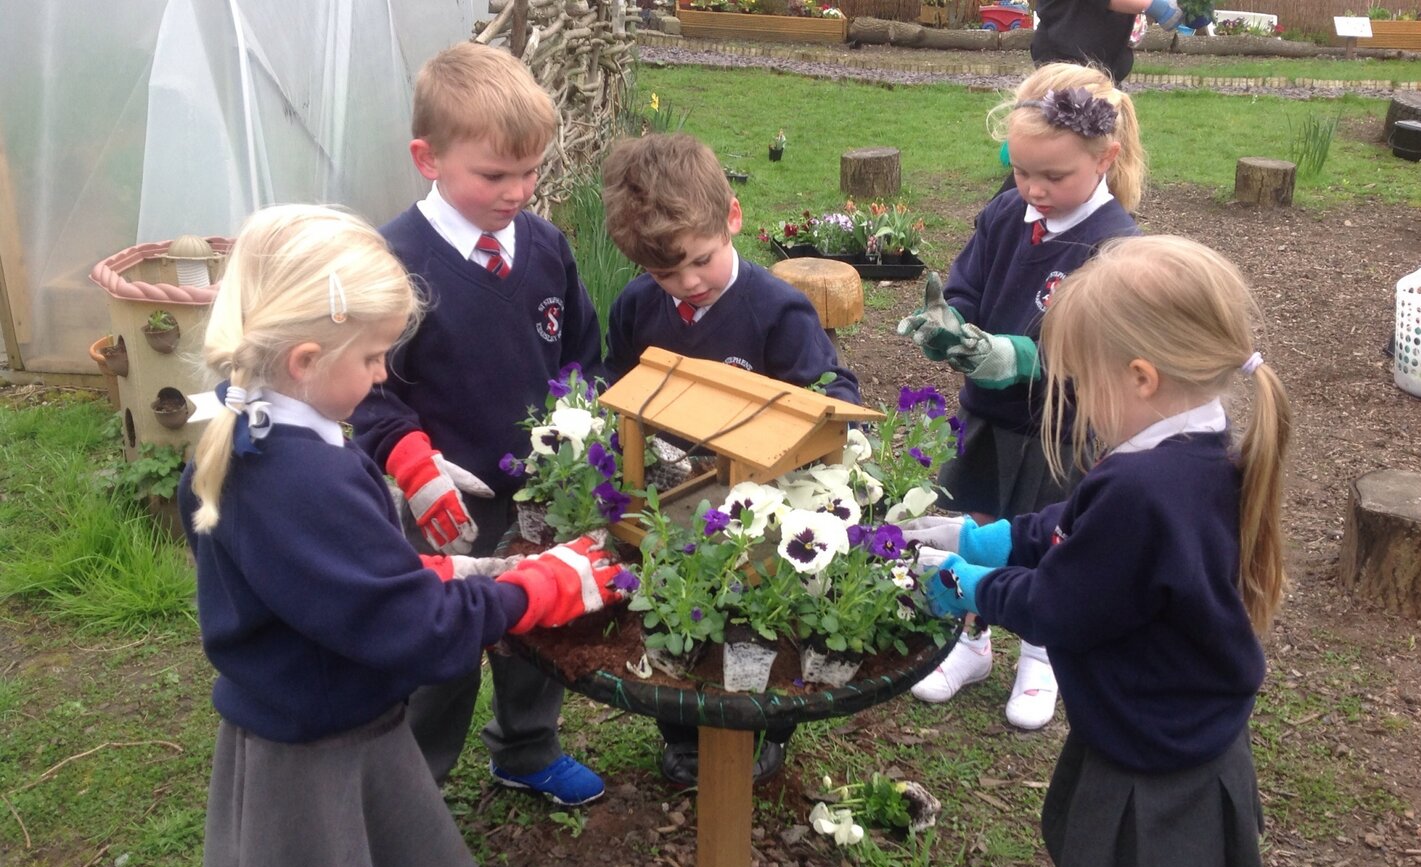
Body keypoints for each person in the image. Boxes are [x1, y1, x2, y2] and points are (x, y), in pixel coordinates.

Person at [179, 204, 627, 867]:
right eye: (372, 356)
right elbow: (415, 629)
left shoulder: (254, 436)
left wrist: (453, 569)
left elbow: (333, 586)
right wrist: (537, 587)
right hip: (319, 758)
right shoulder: (304, 480)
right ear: (305, 360)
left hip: (308, 714)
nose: (384, 374)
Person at [915, 234, 1288, 867]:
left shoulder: (1142, 489)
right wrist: (993, 539)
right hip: (1183, 720)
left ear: (1141, 378)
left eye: (1082, 382)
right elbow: (1082, 527)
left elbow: (1060, 607)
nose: (1077, 398)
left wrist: (970, 585)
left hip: (1154, 765)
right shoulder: (1197, 448)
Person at [348, 42, 606, 805]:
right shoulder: (394, 261)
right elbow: (368, 389)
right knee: (441, 646)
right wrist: (411, 461)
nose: (517, 191)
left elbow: (582, 355)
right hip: (445, 501)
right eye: (494, 175)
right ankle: (414, 785)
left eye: (530, 172)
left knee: (537, 621)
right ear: (428, 158)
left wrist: (580, 426)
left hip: (540, 490)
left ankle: (526, 748)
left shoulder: (547, 248)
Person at [600, 132, 861, 787]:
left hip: (761, 509)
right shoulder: (637, 306)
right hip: (669, 506)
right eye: (666, 274)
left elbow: (835, 398)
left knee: (756, 627)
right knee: (676, 617)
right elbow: (619, 385)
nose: (686, 284)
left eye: (700, 261)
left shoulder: (778, 310)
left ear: (733, 218)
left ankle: (764, 731)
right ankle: (683, 731)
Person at [897, 62, 1145, 730]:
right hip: (987, 415)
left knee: (1051, 540)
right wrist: (950, 325)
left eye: (1054, 177)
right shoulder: (1010, 213)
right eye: (1020, 170)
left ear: (1106, 158)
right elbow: (967, 284)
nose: (1034, 189)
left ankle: (1041, 656)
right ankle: (972, 641)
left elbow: (1101, 355)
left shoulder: (1117, 246)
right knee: (976, 522)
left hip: (1061, 430)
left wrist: (1019, 356)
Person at [1032, 0, 1185, 86]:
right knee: (1067, 132)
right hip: (1067, 55)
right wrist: (1152, 5)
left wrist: (1193, 6)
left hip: (1105, 58)